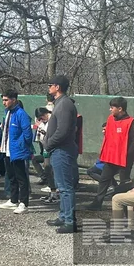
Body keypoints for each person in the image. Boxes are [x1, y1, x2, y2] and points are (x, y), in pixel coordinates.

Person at [86, 97, 134, 210]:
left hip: (124, 159)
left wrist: (127, 155)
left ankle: (124, 207)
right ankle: (97, 203)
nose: (110, 109)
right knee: (104, 179)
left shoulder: (131, 122)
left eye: (112, 107)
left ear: (120, 109)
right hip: (111, 157)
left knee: (124, 182)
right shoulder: (110, 119)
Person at [45, 75, 79, 234]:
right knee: (61, 186)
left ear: (57, 87)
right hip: (58, 150)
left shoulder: (65, 104)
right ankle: (63, 215)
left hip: (62, 150)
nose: (49, 87)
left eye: (51, 85)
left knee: (65, 187)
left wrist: (48, 144)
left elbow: (63, 131)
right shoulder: (60, 103)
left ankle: (70, 221)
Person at [0, 90, 35, 214]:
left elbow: (28, 134)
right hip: (7, 149)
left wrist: (22, 145)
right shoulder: (7, 113)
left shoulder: (21, 114)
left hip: (18, 150)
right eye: (3, 100)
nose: (4, 102)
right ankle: (13, 200)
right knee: (11, 176)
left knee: (21, 177)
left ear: (14, 100)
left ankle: (24, 203)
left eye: (6, 100)